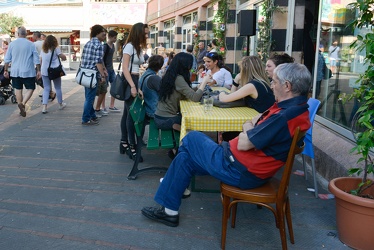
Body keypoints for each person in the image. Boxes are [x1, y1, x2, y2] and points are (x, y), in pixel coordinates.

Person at [141, 62, 312, 227]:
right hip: (242, 165)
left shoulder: (283, 117)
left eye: (274, 82)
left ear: (287, 86)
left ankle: (172, 186)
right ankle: (170, 210)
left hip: (239, 170)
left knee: (191, 138)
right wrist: (250, 127)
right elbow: (252, 121)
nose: (271, 85)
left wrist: (248, 128)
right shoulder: (296, 110)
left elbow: (245, 142)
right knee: (186, 157)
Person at [154, 52, 209, 132]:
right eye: (190, 64)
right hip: (166, 120)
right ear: (185, 65)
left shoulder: (171, 75)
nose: (191, 68)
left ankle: (185, 132)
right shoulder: (178, 79)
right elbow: (195, 97)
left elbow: (186, 92)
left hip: (160, 117)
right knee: (195, 123)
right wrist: (204, 82)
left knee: (191, 122)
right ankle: (187, 135)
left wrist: (198, 87)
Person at [119, 22, 147, 160]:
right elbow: (125, 68)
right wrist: (133, 86)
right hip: (129, 81)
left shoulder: (136, 47)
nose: (147, 35)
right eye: (145, 33)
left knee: (127, 114)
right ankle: (131, 146)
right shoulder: (129, 46)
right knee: (131, 115)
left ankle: (124, 142)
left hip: (134, 80)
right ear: (139, 33)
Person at [3, 26, 41, 117]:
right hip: (28, 71)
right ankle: (23, 104)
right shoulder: (31, 44)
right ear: (26, 34)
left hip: (15, 71)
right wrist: (39, 70)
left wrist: (5, 70)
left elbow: (7, 59)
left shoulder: (12, 44)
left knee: (18, 89)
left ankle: (21, 105)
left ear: (18, 34)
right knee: (31, 88)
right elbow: (36, 59)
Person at [80, 24, 108, 125]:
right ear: (97, 33)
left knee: (88, 96)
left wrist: (103, 69)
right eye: (103, 32)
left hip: (85, 73)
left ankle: (92, 115)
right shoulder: (99, 45)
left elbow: (84, 59)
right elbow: (98, 62)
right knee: (90, 98)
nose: (105, 34)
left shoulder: (88, 43)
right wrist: (103, 75)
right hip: (93, 74)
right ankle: (86, 118)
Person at [39, 35, 67, 114]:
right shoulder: (56, 49)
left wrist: (41, 70)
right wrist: (63, 56)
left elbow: (41, 60)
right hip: (55, 71)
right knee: (57, 88)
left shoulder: (43, 50)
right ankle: (60, 104)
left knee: (46, 88)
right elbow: (63, 57)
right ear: (55, 41)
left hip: (45, 71)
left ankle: (44, 107)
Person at [96, 30, 120, 115]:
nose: (115, 39)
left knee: (115, 86)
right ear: (109, 37)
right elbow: (100, 59)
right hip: (106, 70)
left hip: (111, 70)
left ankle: (111, 105)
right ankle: (103, 107)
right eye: (114, 38)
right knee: (104, 89)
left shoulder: (113, 46)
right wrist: (103, 70)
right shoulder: (105, 46)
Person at [33, 31, 56, 101]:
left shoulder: (34, 44)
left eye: (33, 36)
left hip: (39, 64)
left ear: (36, 36)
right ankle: (49, 93)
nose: (32, 37)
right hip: (47, 64)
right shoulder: (45, 43)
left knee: (38, 79)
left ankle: (50, 92)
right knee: (47, 79)